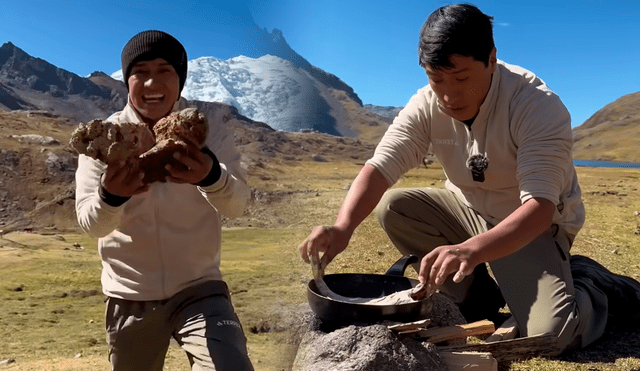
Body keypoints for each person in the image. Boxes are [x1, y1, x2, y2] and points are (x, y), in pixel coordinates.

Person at [299, 4, 640, 354]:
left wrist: (470, 250)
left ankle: (591, 284)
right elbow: (381, 166)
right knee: (395, 207)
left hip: (530, 226)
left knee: (549, 335)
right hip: (466, 209)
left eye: (461, 78)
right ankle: (475, 298)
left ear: (491, 59)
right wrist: (343, 227)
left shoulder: (537, 105)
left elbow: (539, 208)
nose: (448, 95)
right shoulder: (427, 103)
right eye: (436, 79)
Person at [75, 30, 254, 370]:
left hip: (201, 289)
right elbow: (90, 223)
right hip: (129, 295)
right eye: (140, 71)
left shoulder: (206, 131)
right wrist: (112, 196)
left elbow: (238, 204)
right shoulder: (106, 139)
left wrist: (210, 176)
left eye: (164, 70)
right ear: (126, 80)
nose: (151, 82)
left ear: (180, 79)